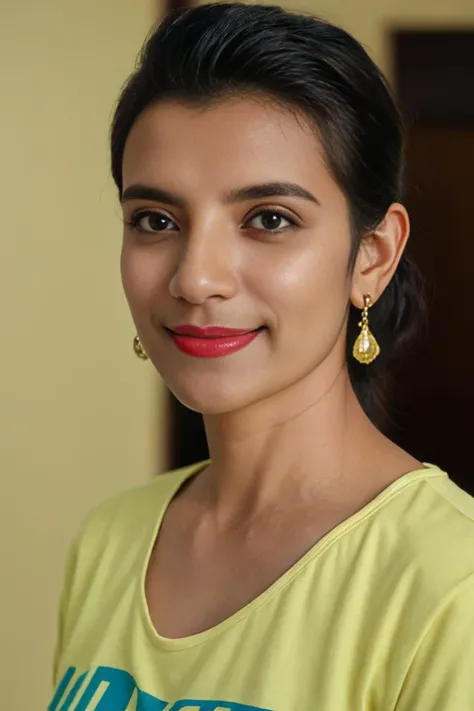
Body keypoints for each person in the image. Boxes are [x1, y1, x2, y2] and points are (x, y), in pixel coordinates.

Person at [49, 3, 474, 710]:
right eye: (156, 220)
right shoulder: (110, 541)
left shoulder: (447, 583)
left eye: (268, 219)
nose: (195, 277)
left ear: (373, 256)